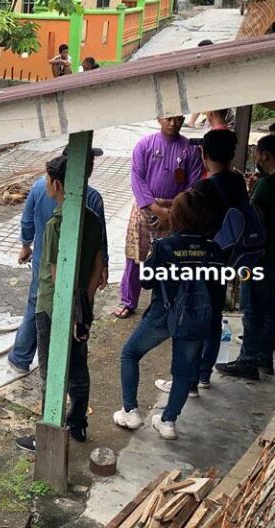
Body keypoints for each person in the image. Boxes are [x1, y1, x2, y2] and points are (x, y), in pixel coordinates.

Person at [113, 190, 223, 440]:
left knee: (130, 353)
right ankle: (168, 422)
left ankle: (130, 411)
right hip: (195, 318)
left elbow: (147, 282)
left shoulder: (165, 247)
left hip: (162, 314)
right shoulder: (214, 250)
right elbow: (217, 291)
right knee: (183, 372)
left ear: (177, 217)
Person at [15, 154, 105, 451]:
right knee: (78, 369)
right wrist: (85, 303)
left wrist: (68, 312)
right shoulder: (91, 217)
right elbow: (98, 265)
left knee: (51, 372)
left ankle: (48, 433)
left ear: (56, 184)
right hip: (81, 306)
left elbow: (57, 276)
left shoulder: (56, 225)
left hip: (54, 309)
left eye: (46, 179)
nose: (44, 184)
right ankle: (77, 424)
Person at [154, 129, 248, 396]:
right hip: (225, 258)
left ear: (203, 154)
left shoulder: (203, 188)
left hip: (198, 260)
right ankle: (204, 374)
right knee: (214, 314)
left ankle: (189, 381)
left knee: (192, 316)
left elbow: (187, 221)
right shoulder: (237, 181)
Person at [8, 146, 109, 374]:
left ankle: (21, 357)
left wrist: (25, 245)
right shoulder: (91, 197)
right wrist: (103, 264)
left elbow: (27, 221)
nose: (91, 167)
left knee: (37, 305)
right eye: (88, 163)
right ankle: (62, 361)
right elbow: (99, 237)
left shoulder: (38, 186)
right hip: (74, 268)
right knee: (70, 312)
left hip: (43, 263)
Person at [113, 116, 204, 319]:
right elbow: (137, 178)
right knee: (135, 256)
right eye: (168, 119)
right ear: (158, 119)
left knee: (173, 258)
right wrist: (155, 208)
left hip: (176, 210)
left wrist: (173, 211)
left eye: (177, 119)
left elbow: (194, 183)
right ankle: (128, 300)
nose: (172, 123)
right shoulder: (144, 145)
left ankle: (170, 300)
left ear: (183, 119)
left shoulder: (190, 149)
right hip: (146, 207)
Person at [216, 135, 275, 380]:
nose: (255, 158)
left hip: (260, 258)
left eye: (257, 154)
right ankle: (264, 358)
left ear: (266, 156)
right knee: (271, 310)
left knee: (253, 310)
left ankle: (248, 360)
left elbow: (253, 218)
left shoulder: (266, 186)